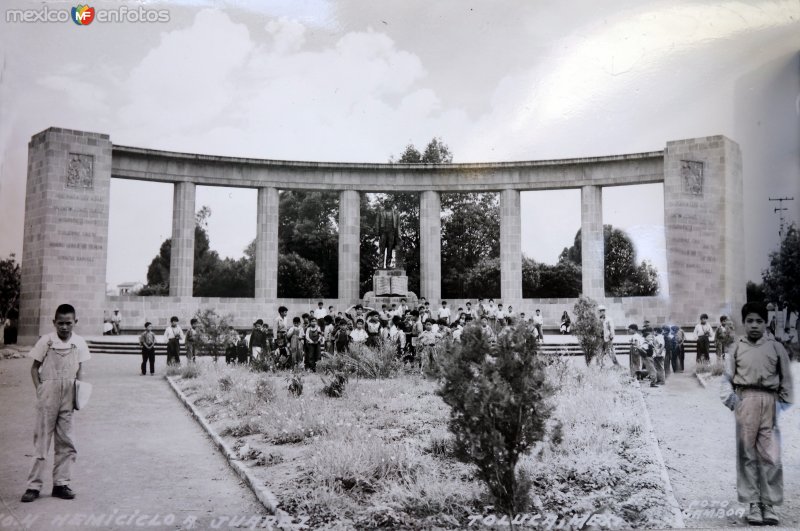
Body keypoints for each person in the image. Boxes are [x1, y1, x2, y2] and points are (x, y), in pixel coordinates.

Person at [720, 302, 794, 526]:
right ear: (744, 323)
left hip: (769, 402)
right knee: (747, 455)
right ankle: (753, 503)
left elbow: (786, 381)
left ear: (766, 323)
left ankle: (769, 504)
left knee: (770, 454)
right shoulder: (737, 348)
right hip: (746, 400)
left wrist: (780, 405)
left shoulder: (776, 347)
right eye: (750, 321)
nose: (754, 325)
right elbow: (726, 379)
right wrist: (734, 402)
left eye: (759, 321)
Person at [21, 304, 91, 503]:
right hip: (48, 395)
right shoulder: (46, 341)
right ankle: (33, 486)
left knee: (66, 442)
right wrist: (40, 390)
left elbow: (80, 370)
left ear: (75, 322)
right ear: (54, 323)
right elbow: (34, 368)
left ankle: (61, 484)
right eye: (60, 323)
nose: (64, 327)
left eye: (68, 323)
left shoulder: (79, 343)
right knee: (42, 441)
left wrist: (78, 394)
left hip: (69, 395)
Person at [376, 204, 401, 268]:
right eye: (387, 202)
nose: (388, 203)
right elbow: (377, 222)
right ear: (385, 203)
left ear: (391, 203)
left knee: (390, 249)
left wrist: (399, 235)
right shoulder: (381, 212)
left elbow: (398, 225)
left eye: (389, 202)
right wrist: (377, 233)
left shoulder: (396, 213)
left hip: (392, 232)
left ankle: (388, 264)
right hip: (383, 232)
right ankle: (381, 264)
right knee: (382, 248)